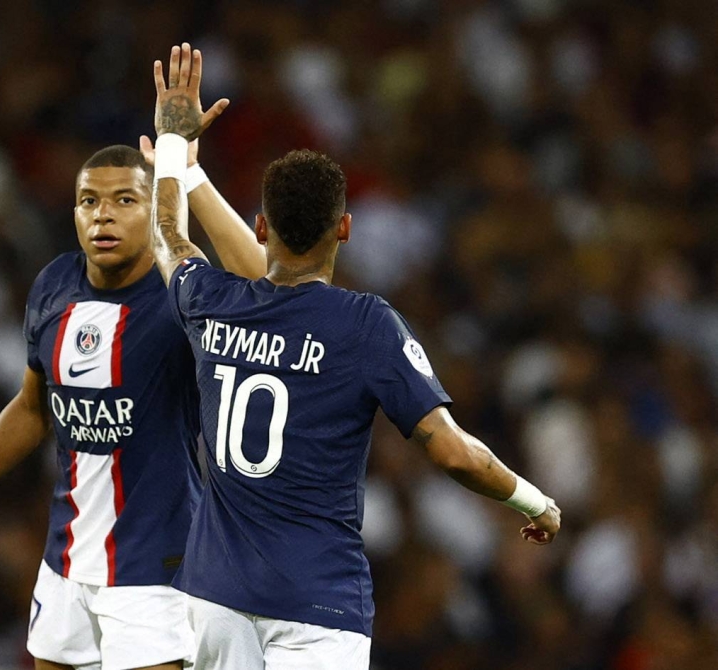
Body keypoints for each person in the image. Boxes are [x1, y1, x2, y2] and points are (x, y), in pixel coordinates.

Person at [147, 43, 563, 669]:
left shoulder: (212, 304)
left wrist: (177, 154)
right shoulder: (366, 326)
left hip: (213, 599)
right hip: (318, 605)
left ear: (262, 226)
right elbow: (454, 452)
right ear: (344, 228)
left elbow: (169, 236)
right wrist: (534, 501)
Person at [0, 53, 265, 670]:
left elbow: (262, 281)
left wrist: (183, 166)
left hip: (157, 568)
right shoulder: (53, 286)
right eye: (88, 201)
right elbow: (30, 408)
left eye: (125, 199)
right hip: (65, 560)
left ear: (151, 208)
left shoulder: (179, 289)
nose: (102, 214)